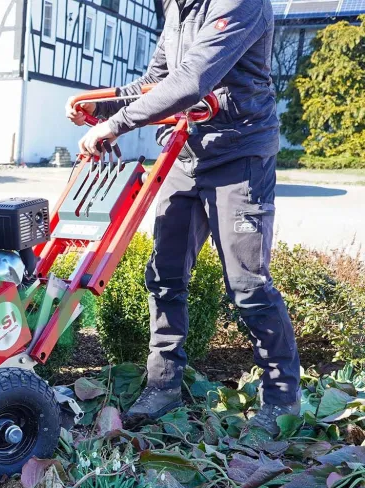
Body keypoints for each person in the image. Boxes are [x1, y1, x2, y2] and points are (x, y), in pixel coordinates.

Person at [65, 0, 301, 435]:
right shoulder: (176, 7)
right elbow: (158, 80)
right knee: (165, 274)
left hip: (239, 152)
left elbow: (192, 80)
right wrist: (101, 107)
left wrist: (117, 125)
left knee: (248, 286)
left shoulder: (240, 3)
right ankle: (163, 384)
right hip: (185, 151)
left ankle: (282, 399)